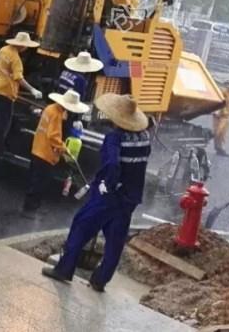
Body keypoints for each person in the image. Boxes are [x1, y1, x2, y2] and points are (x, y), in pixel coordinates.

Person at [42, 94, 151, 292]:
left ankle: (64, 269)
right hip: (130, 197)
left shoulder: (115, 138)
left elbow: (112, 164)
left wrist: (106, 185)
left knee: (82, 225)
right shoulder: (144, 138)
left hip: (110, 196)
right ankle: (100, 280)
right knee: (115, 240)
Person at [23, 89, 90, 216]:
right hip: (46, 153)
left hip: (38, 148)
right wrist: (64, 148)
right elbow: (53, 136)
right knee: (39, 183)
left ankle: (32, 206)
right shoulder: (57, 114)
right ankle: (30, 209)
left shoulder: (50, 108)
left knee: (34, 180)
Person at [0, 32, 43, 155]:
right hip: (6, 92)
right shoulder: (15, 59)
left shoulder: (3, 50)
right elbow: (18, 78)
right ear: (22, 46)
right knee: (3, 123)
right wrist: (32, 89)